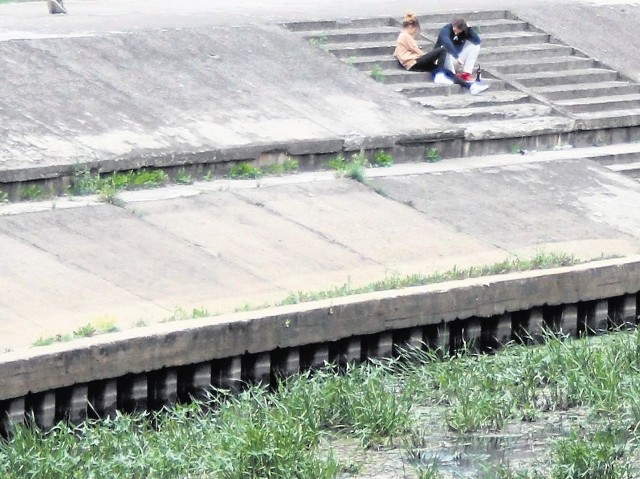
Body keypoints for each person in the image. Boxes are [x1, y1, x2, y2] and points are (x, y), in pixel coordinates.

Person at [394, 12, 488, 94]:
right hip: (413, 62)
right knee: (443, 49)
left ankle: (470, 87)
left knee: (448, 73)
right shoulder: (404, 35)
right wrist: (430, 56)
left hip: (415, 62)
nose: (415, 32)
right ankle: (439, 75)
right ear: (411, 26)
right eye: (415, 29)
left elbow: (398, 52)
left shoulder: (404, 37)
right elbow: (417, 50)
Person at [435, 17, 481, 82]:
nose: (456, 33)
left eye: (459, 31)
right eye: (455, 30)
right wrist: (456, 56)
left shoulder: (465, 31)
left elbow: (477, 41)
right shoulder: (446, 29)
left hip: (457, 59)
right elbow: (447, 43)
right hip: (444, 59)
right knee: (444, 49)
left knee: (476, 46)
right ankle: (452, 75)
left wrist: (469, 29)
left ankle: (466, 73)